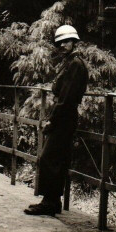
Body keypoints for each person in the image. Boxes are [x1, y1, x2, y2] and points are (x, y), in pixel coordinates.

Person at [25, 24, 88, 216]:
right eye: (60, 42)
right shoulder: (69, 63)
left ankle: (50, 202)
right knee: (56, 159)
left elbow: (67, 97)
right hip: (64, 115)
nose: (62, 45)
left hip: (65, 116)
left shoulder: (75, 64)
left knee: (49, 158)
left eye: (66, 41)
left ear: (74, 42)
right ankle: (52, 201)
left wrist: (53, 120)